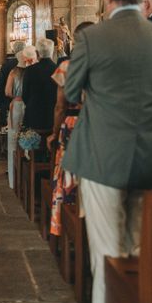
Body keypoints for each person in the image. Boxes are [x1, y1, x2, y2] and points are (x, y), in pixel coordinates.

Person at [62, 0, 152, 303]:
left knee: (107, 257)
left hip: (100, 157)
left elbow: (71, 90)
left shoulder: (91, 38)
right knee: (140, 253)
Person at [45, 22, 94, 237]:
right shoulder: (107, 65)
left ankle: (66, 224)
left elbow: (59, 106)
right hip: (99, 123)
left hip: (73, 124)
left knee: (69, 173)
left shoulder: (66, 66)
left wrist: (55, 133)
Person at [4, 46, 37, 188]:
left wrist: (16, 97)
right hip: (29, 106)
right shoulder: (31, 72)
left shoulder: (13, 72)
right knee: (27, 134)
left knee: (13, 138)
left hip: (16, 105)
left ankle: (13, 180)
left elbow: (7, 91)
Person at [22, 38, 57, 130]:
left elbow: (25, 95)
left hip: (34, 115)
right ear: (52, 52)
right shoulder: (58, 69)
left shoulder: (30, 70)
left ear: (37, 53)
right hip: (53, 115)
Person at [0, 40, 26, 126]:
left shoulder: (7, 65)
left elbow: (0, 85)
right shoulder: (29, 63)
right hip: (26, 102)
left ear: (14, 51)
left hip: (8, 102)